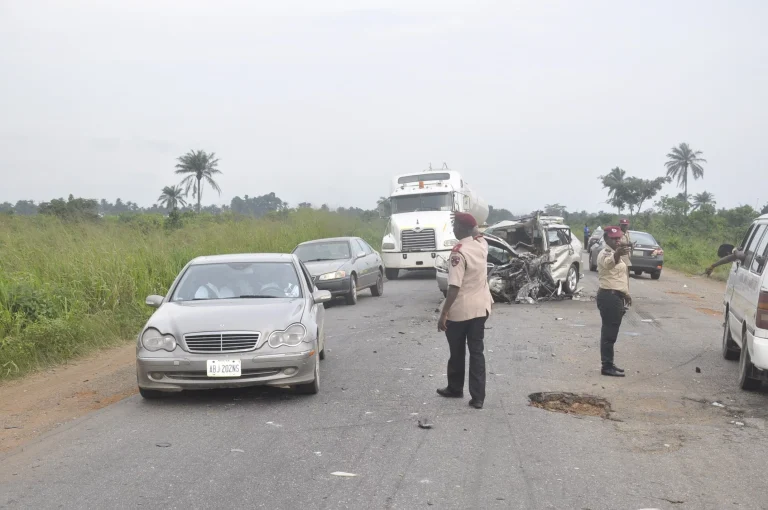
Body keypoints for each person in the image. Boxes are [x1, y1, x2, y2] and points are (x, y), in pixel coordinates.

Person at [437, 212, 493, 409]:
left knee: (457, 350)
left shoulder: (458, 252)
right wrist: (470, 223)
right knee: (477, 352)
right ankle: (478, 398)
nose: (453, 229)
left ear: (461, 229)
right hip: (481, 308)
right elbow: (477, 232)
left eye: (455, 225)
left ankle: (455, 388)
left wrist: (444, 313)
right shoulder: (481, 245)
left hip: (460, 311)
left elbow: (454, 287)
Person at [596, 226, 632, 377]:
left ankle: (609, 363)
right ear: (606, 239)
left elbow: (619, 277)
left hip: (615, 296)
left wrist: (626, 294)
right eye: (614, 238)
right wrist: (617, 254)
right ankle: (606, 366)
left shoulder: (617, 253)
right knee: (609, 333)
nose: (617, 241)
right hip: (609, 297)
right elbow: (609, 264)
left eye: (619, 238)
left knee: (612, 332)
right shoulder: (605, 253)